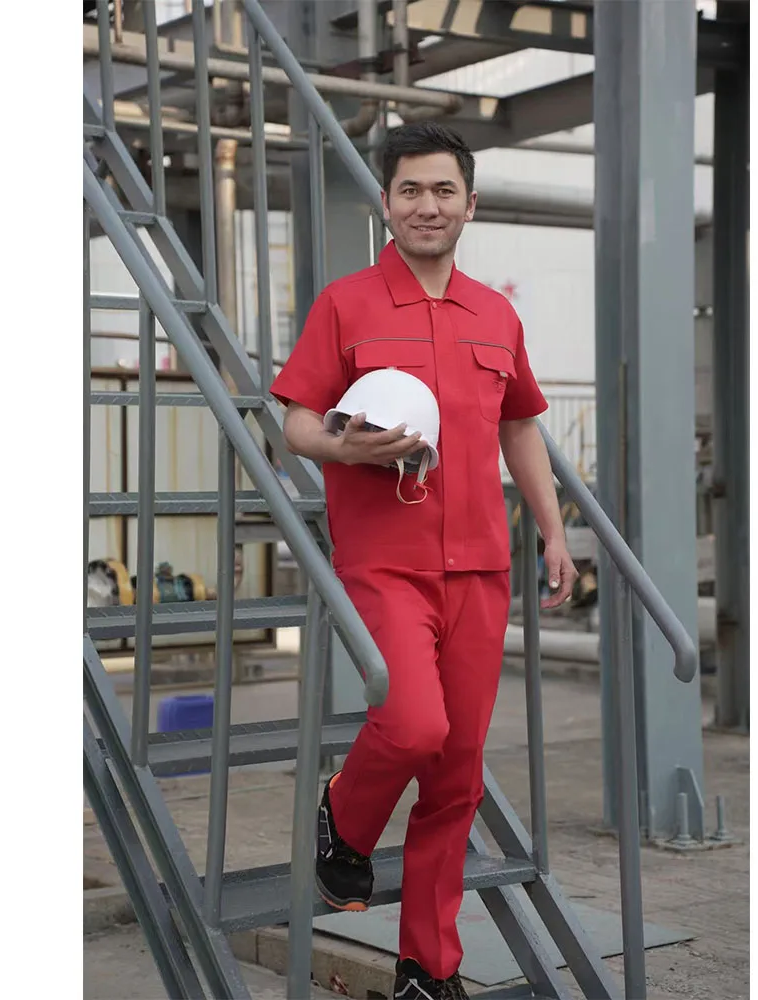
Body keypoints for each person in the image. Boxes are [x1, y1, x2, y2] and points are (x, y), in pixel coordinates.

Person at [270, 122, 576, 1000]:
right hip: (386, 562)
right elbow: (295, 420)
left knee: (456, 775)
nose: (427, 206)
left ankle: (426, 970)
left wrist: (553, 530)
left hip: (480, 565)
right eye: (410, 190)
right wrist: (344, 447)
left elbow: (520, 427)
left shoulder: (496, 315)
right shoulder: (347, 305)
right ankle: (345, 814)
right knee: (413, 728)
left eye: (444, 191)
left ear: (469, 204)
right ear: (386, 204)